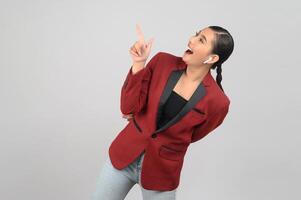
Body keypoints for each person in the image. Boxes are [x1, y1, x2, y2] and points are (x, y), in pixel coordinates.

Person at [91, 24, 234, 200]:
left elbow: (193, 135)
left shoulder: (218, 102)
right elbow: (128, 108)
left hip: (162, 172)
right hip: (124, 156)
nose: (191, 40)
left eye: (201, 40)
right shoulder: (162, 62)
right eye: (196, 34)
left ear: (212, 58)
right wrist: (138, 63)